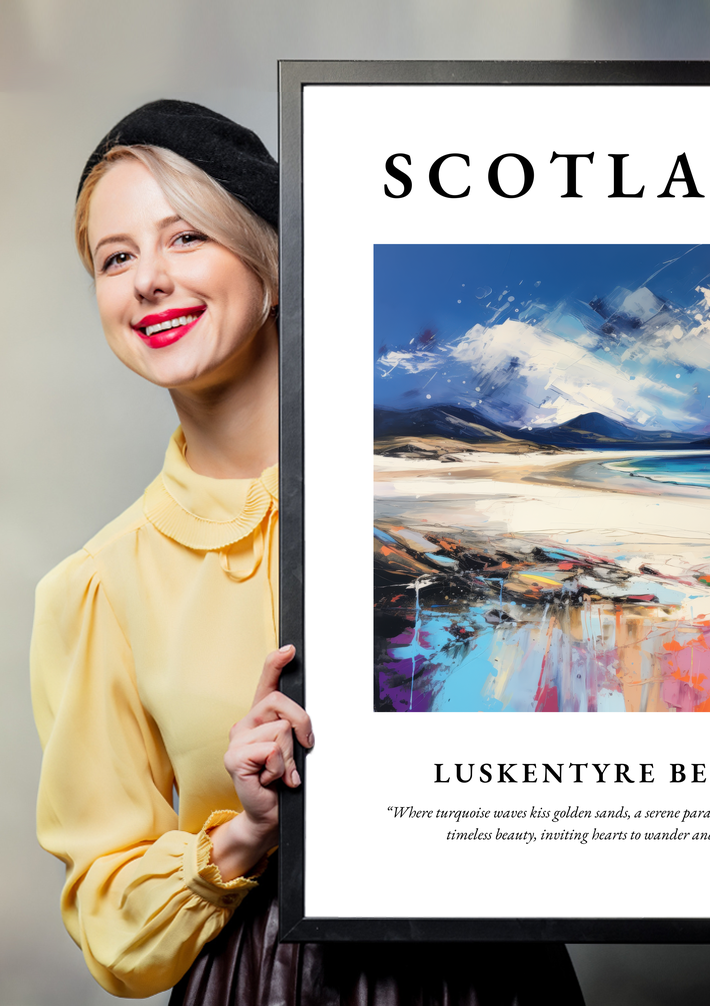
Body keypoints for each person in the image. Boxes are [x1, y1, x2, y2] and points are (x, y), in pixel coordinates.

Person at [30, 100, 586, 1004]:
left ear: (273, 263)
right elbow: (110, 923)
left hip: (492, 972)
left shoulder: (457, 499)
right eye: (116, 257)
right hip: (262, 981)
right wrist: (245, 832)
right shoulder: (97, 587)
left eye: (186, 239)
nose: (148, 281)